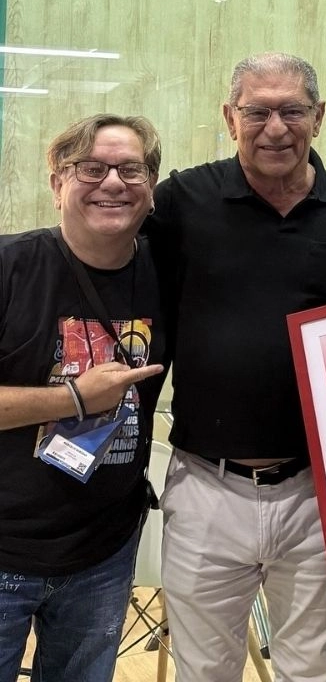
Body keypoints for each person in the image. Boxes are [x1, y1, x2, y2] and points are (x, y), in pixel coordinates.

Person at [145, 52, 326, 682]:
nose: (275, 127)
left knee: (309, 671)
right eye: (257, 112)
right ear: (230, 118)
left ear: (319, 117)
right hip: (206, 487)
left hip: (315, 490)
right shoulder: (181, 202)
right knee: (204, 673)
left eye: (292, 110)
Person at [0, 114, 166, 681]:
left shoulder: (168, 276)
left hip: (103, 554)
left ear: (151, 189)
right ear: (57, 184)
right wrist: (73, 398)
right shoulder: (10, 266)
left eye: (131, 170)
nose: (113, 183)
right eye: (91, 168)